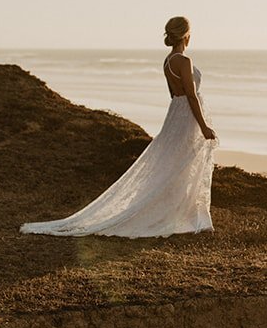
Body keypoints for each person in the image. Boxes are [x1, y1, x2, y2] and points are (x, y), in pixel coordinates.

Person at [21, 16, 218, 236]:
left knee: (172, 164)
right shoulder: (183, 61)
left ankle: (184, 213)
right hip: (187, 117)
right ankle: (182, 215)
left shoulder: (168, 61)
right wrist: (204, 127)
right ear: (186, 35)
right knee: (180, 165)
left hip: (175, 115)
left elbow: (174, 94)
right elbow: (191, 96)